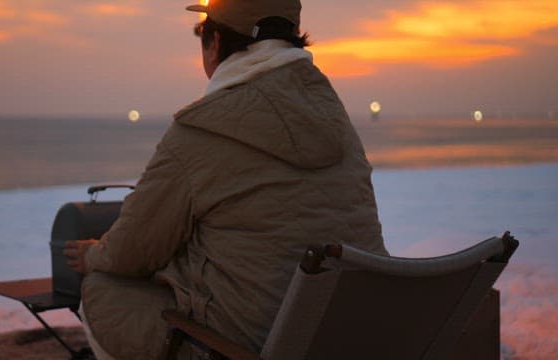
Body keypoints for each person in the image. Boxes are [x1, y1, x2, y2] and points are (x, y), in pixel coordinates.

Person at [63, 0, 388, 358]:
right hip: (354, 332)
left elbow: (132, 251)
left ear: (214, 43)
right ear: (294, 38)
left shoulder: (201, 129)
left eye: (202, 34)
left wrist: (94, 255)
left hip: (249, 345)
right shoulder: (335, 118)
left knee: (101, 288)